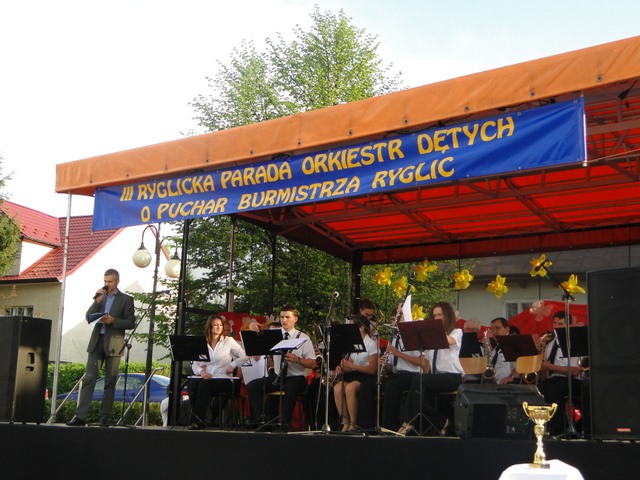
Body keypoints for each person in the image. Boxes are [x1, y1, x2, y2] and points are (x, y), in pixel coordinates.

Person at [66, 268, 136, 426]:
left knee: (110, 382)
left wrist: (113, 320)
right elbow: (88, 316)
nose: (107, 284)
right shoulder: (100, 297)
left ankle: (105, 417)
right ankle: (80, 417)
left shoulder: (126, 299)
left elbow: (130, 322)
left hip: (114, 344)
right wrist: (96, 301)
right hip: (97, 342)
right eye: (105, 281)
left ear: (117, 281)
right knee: (89, 379)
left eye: (110, 281)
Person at [397, 301, 464, 436]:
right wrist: (409, 323)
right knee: (418, 397)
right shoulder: (430, 336)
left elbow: (449, 340)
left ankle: (407, 423)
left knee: (418, 380)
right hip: (435, 377)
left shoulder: (456, 332)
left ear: (447, 316)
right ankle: (441, 422)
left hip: (452, 377)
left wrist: (428, 329)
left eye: (440, 315)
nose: (436, 318)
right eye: (434, 315)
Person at [245, 306, 316, 431]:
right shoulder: (274, 336)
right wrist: (252, 327)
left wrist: (298, 360)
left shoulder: (304, 337)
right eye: (282, 317)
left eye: (287, 317)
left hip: (297, 377)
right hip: (278, 376)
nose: (284, 320)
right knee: (252, 386)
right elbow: (257, 342)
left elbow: (313, 363)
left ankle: (284, 423)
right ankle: (262, 421)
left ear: (295, 319)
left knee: (291, 386)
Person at [188, 315, 246, 430]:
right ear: (209, 327)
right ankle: (199, 417)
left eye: (220, 325)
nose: (219, 327)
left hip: (224, 378)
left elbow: (244, 355)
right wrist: (201, 372)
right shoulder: (203, 343)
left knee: (204, 384)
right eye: (216, 325)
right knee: (193, 384)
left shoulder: (228, 341)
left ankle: (199, 421)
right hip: (208, 377)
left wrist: (233, 365)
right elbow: (194, 363)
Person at [332, 314, 378, 431]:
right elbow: (349, 366)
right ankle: (345, 421)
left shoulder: (371, 344)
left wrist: (351, 365)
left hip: (366, 376)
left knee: (350, 388)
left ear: (361, 328)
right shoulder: (352, 343)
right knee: (337, 388)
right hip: (354, 374)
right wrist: (343, 367)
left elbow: (372, 369)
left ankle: (354, 423)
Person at [538, 310, 580, 436]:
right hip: (554, 379)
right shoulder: (551, 343)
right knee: (537, 389)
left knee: (553, 389)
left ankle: (558, 430)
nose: (556, 326)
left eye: (560, 324)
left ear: (569, 325)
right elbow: (545, 371)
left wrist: (550, 366)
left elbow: (575, 371)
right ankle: (542, 428)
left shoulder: (573, 342)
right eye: (555, 323)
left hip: (571, 380)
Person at [487, 317, 516, 384]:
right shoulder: (495, 349)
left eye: (497, 328)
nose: (494, 332)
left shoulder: (514, 345)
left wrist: (512, 377)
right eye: (492, 329)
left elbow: (522, 366)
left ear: (507, 329)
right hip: (494, 384)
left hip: (508, 384)